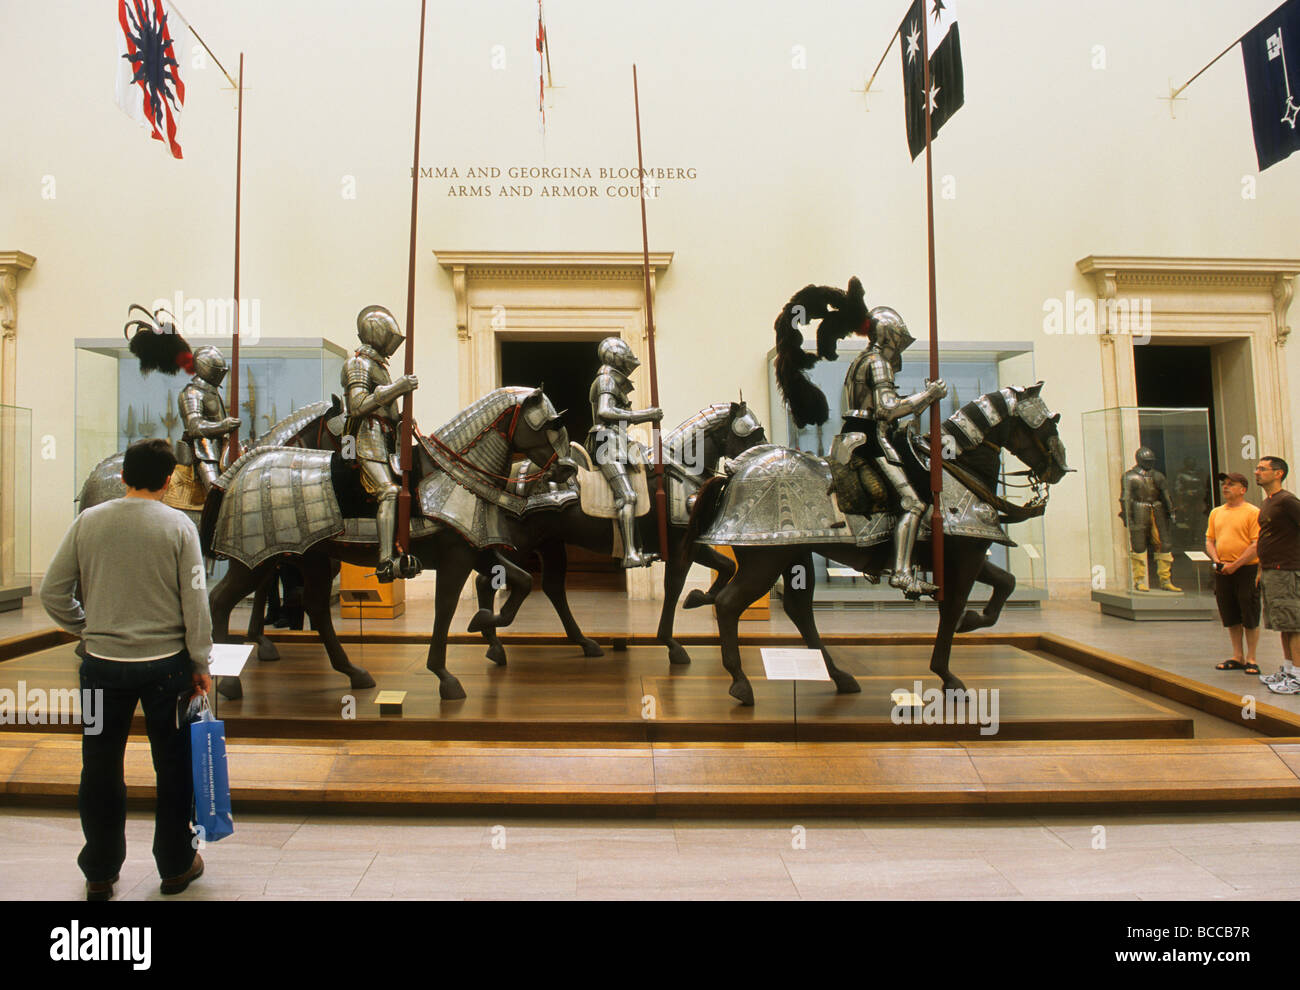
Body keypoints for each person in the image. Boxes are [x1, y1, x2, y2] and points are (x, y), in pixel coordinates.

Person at [39, 438, 212, 900]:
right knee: (173, 769)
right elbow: (195, 603)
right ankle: (176, 865)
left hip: (100, 670)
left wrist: (87, 629)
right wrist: (201, 660)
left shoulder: (88, 522)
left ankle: (99, 870)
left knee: (98, 767)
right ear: (170, 479)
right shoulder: (178, 526)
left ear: (122, 477)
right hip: (168, 672)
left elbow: (52, 593)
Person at [838, 307, 947, 598]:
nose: (900, 347)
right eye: (899, 340)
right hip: (871, 441)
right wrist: (929, 395)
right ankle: (901, 573)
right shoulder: (878, 363)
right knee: (912, 503)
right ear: (890, 337)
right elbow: (887, 409)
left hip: (853, 437)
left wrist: (921, 401)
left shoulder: (861, 359)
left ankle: (877, 562)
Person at [342, 304, 420, 582]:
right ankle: (385, 561)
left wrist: (401, 418)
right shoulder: (358, 364)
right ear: (377, 334)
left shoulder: (377, 367)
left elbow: (384, 407)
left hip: (386, 440)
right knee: (388, 491)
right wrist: (399, 387)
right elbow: (357, 405)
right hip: (367, 439)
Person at [586, 336, 662, 568]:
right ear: (617, 358)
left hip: (617, 440)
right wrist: (644, 416)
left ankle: (639, 545)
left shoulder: (611, 379)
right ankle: (630, 554)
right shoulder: (607, 379)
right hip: (606, 442)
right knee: (627, 496)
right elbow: (606, 411)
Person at [1253, 456, 1300, 694]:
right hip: (1272, 570)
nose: (1257, 472)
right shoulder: (1268, 502)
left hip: (1287, 571)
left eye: (1262, 469)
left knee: (1294, 623)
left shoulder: (1287, 501)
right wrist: (1262, 568)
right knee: (1283, 623)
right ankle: (1289, 669)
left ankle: (1298, 677)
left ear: (1278, 473)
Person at [1206, 472, 1261, 674]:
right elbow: (1210, 540)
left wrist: (1236, 564)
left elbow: (1256, 544)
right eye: (1224, 484)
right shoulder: (1216, 512)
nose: (1226, 487)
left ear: (1242, 489)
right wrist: (1217, 559)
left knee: (1250, 610)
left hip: (1246, 568)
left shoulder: (1252, 512)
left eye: (1231, 484)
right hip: (1223, 568)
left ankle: (1251, 657)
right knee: (1229, 611)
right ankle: (1237, 655)